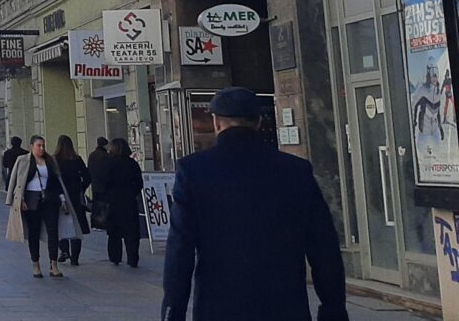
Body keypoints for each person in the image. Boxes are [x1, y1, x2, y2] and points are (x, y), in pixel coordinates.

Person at [162, 88, 347, 321]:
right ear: (258, 122)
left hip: (220, 307)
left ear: (216, 122)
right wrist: (333, 307)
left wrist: (173, 311)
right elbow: (323, 246)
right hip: (286, 306)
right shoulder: (295, 170)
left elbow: (180, 249)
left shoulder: (193, 171)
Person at [6, 135, 71, 279]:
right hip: (31, 200)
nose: (41, 148)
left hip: (50, 199)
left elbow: (57, 180)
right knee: (33, 233)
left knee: (53, 231)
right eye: (38, 146)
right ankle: (36, 264)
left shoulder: (50, 160)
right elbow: (15, 179)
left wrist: (62, 198)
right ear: (32, 146)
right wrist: (18, 199)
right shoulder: (23, 160)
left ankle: (53, 265)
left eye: (43, 145)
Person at [98, 137, 144, 267]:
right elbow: (139, 183)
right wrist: (132, 192)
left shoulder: (109, 163)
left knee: (114, 232)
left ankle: (115, 257)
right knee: (132, 231)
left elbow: (104, 182)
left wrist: (106, 196)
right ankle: (133, 258)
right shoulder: (132, 164)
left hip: (114, 201)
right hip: (129, 200)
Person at [53, 135, 91, 265]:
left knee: (61, 224)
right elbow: (87, 177)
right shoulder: (76, 159)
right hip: (75, 197)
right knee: (76, 227)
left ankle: (64, 250)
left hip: (60, 196)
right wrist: (81, 188)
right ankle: (75, 258)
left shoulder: (55, 160)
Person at [87, 136, 111, 222]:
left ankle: (97, 222)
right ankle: (104, 221)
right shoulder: (107, 156)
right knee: (105, 206)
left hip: (95, 184)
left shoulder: (92, 155)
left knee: (97, 205)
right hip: (106, 186)